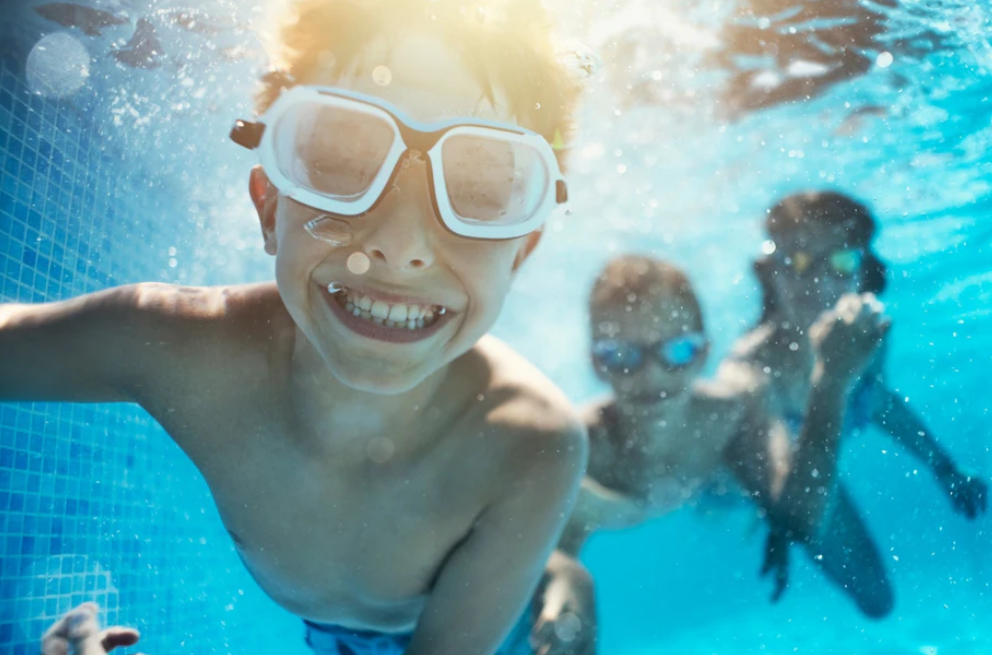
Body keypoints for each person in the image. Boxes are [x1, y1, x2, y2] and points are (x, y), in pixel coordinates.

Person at [1, 1, 589, 653]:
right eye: (340, 158)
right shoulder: (182, 349)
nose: (400, 245)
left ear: (523, 250)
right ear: (270, 206)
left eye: (481, 187)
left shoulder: (529, 446)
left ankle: (560, 571)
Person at [528, 255, 889, 654]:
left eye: (677, 351)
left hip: (731, 484)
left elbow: (802, 519)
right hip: (714, 485)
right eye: (622, 356)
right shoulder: (580, 447)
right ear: (596, 363)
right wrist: (568, 582)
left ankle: (767, 507)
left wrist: (831, 383)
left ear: (703, 353)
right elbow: (546, 550)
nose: (653, 376)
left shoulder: (731, 412)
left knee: (877, 598)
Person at [720, 190, 990, 617]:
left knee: (878, 600)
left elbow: (877, 401)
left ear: (864, 272)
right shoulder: (752, 367)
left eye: (841, 262)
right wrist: (779, 521)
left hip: (807, 473)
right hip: (736, 485)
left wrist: (945, 468)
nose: (820, 280)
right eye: (800, 261)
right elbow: (755, 465)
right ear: (771, 271)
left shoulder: (865, 331)